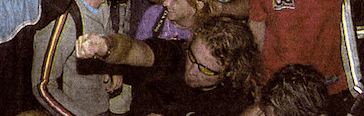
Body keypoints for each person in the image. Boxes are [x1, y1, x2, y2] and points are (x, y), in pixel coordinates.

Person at [75, 15, 260, 115]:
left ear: (230, 72)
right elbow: (132, 49)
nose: (192, 70)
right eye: (192, 57)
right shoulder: (173, 54)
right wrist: (106, 46)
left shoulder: (235, 102)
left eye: (205, 69)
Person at [32, 0, 126, 116]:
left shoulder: (104, 3)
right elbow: (42, 87)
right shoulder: (65, 19)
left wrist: (113, 67)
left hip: (100, 105)